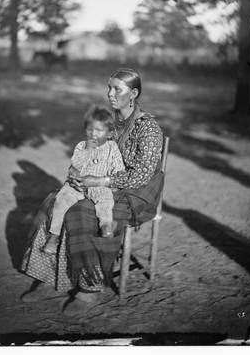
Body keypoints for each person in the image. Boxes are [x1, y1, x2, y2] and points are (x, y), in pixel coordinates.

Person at [21, 68, 164, 313]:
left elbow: (141, 175)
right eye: (109, 87)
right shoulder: (110, 122)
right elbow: (88, 153)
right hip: (101, 182)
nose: (110, 93)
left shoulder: (148, 129)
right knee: (55, 200)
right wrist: (77, 175)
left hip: (135, 191)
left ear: (134, 93)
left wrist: (99, 181)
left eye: (116, 89)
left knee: (82, 212)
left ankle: (91, 286)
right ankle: (50, 276)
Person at [42, 104, 125, 254]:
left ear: (110, 133)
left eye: (99, 130)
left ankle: (106, 224)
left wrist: (110, 182)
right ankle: (54, 236)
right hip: (77, 186)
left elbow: (119, 170)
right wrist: (86, 153)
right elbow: (75, 166)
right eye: (90, 129)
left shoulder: (112, 148)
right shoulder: (81, 146)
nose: (93, 134)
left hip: (98, 186)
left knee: (105, 200)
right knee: (62, 199)